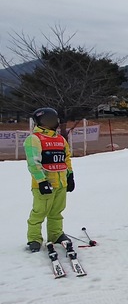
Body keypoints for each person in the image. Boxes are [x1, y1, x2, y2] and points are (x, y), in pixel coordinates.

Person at [24, 107, 75, 253]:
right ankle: (34, 238)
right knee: (40, 211)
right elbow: (33, 163)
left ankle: (56, 234)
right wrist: (41, 181)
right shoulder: (34, 139)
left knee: (57, 211)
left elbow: (66, 159)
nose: (54, 122)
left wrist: (70, 176)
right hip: (44, 184)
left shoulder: (60, 139)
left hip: (61, 182)